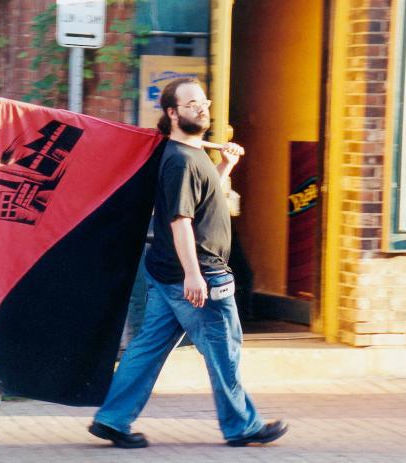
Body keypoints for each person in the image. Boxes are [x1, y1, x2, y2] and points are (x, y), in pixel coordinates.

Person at [89, 78, 288, 448]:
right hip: (197, 277)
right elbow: (180, 222)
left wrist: (224, 167)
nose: (201, 108)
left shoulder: (191, 155)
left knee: (148, 348)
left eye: (203, 102)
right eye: (191, 103)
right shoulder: (180, 160)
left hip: (169, 275)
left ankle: (112, 419)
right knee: (223, 348)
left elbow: (202, 202)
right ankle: (242, 425)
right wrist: (194, 276)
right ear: (172, 113)